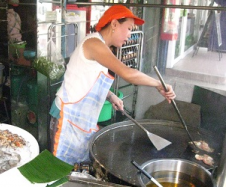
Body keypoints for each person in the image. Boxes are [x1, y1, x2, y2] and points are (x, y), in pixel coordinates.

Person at [49, 5, 176, 165]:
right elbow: (128, 73)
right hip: (66, 119)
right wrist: (158, 84)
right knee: (61, 172)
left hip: (79, 123)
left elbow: (88, 80)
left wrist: (110, 95)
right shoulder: (93, 44)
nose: (129, 35)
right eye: (129, 29)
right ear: (114, 24)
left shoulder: (102, 47)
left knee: (77, 172)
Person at [7, 0, 31, 66]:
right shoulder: (14, 15)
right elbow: (15, 32)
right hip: (16, 43)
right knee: (19, 61)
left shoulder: (9, 15)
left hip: (12, 43)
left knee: (14, 61)